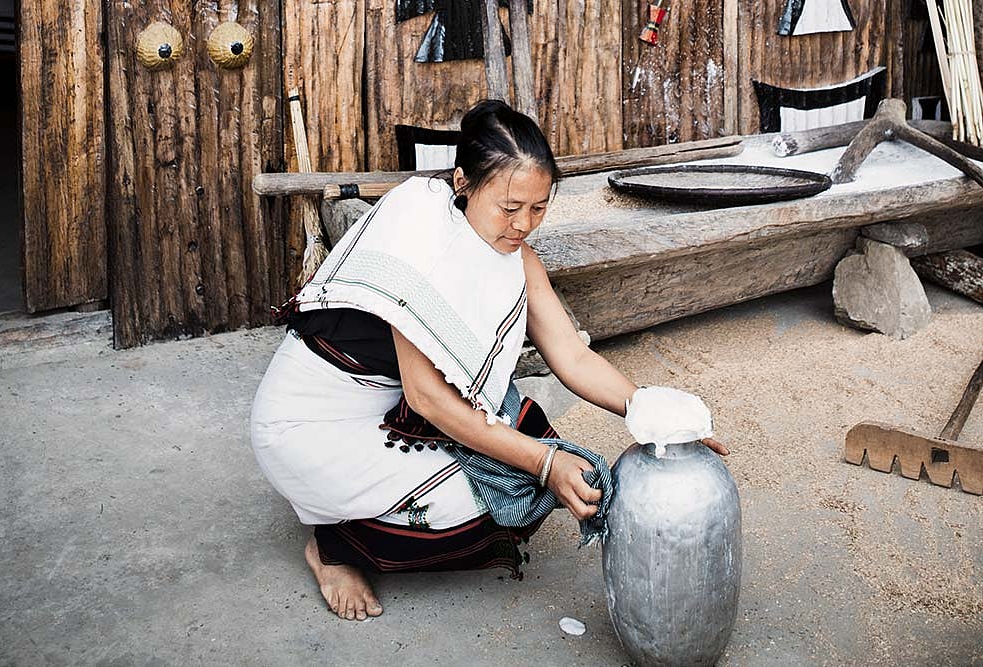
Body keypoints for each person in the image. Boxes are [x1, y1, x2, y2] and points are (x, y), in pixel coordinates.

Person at [250, 100, 727, 622]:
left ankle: (366, 505)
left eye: (539, 208)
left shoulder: (515, 254)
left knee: (520, 445)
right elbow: (427, 396)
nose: (524, 224)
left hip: (383, 412)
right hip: (309, 429)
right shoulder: (421, 238)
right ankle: (334, 546)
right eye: (509, 207)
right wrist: (545, 465)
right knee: (485, 505)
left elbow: (569, 353)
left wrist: (659, 416)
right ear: (463, 183)